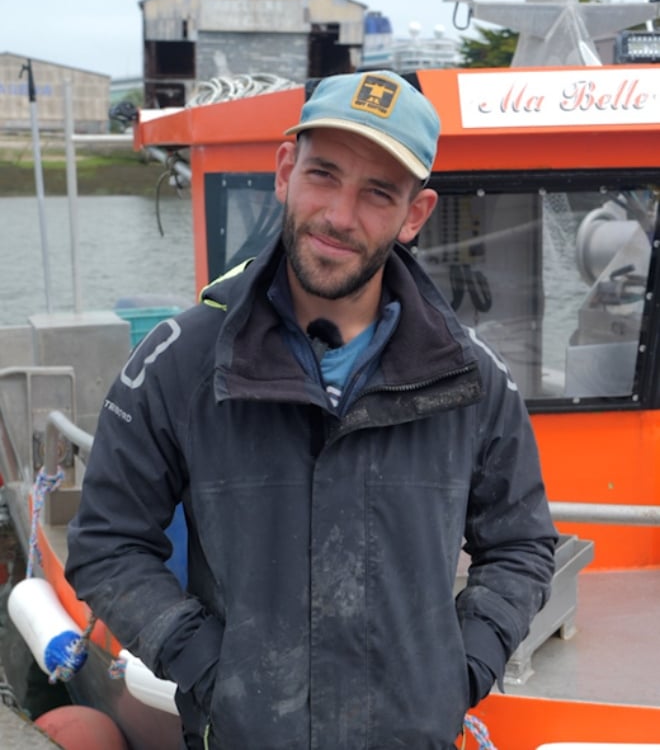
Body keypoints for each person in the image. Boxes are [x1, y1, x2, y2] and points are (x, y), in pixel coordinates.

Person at [66, 70, 557, 749]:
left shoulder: (474, 382)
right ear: (284, 171)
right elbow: (106, 544)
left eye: (378, 193)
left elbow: (523, 544)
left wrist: (462, 664)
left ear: (415, 216)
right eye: (323, 175)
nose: (338, 215)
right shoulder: (178, 363)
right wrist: (212, 667)